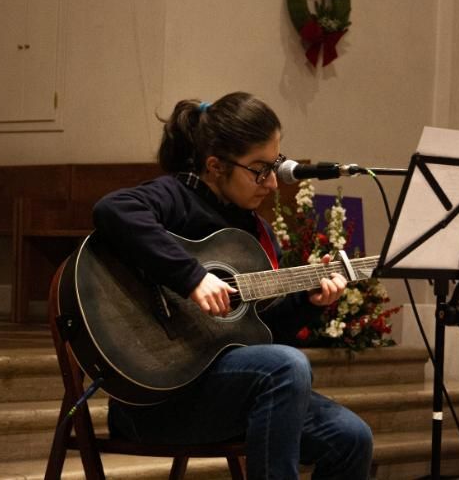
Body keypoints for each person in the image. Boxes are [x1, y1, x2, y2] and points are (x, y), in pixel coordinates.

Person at [92, 91, 373, 480]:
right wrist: (192, 277)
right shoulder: (177, 197)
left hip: (228, 393)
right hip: (156, 399)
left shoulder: (256, 233)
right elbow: (113, 209)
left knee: (352, 438)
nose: (271, 183)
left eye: (274, 166)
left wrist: (308, 303)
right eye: (259, 169)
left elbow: (262, 337)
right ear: (215, 166)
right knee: (287, 367)